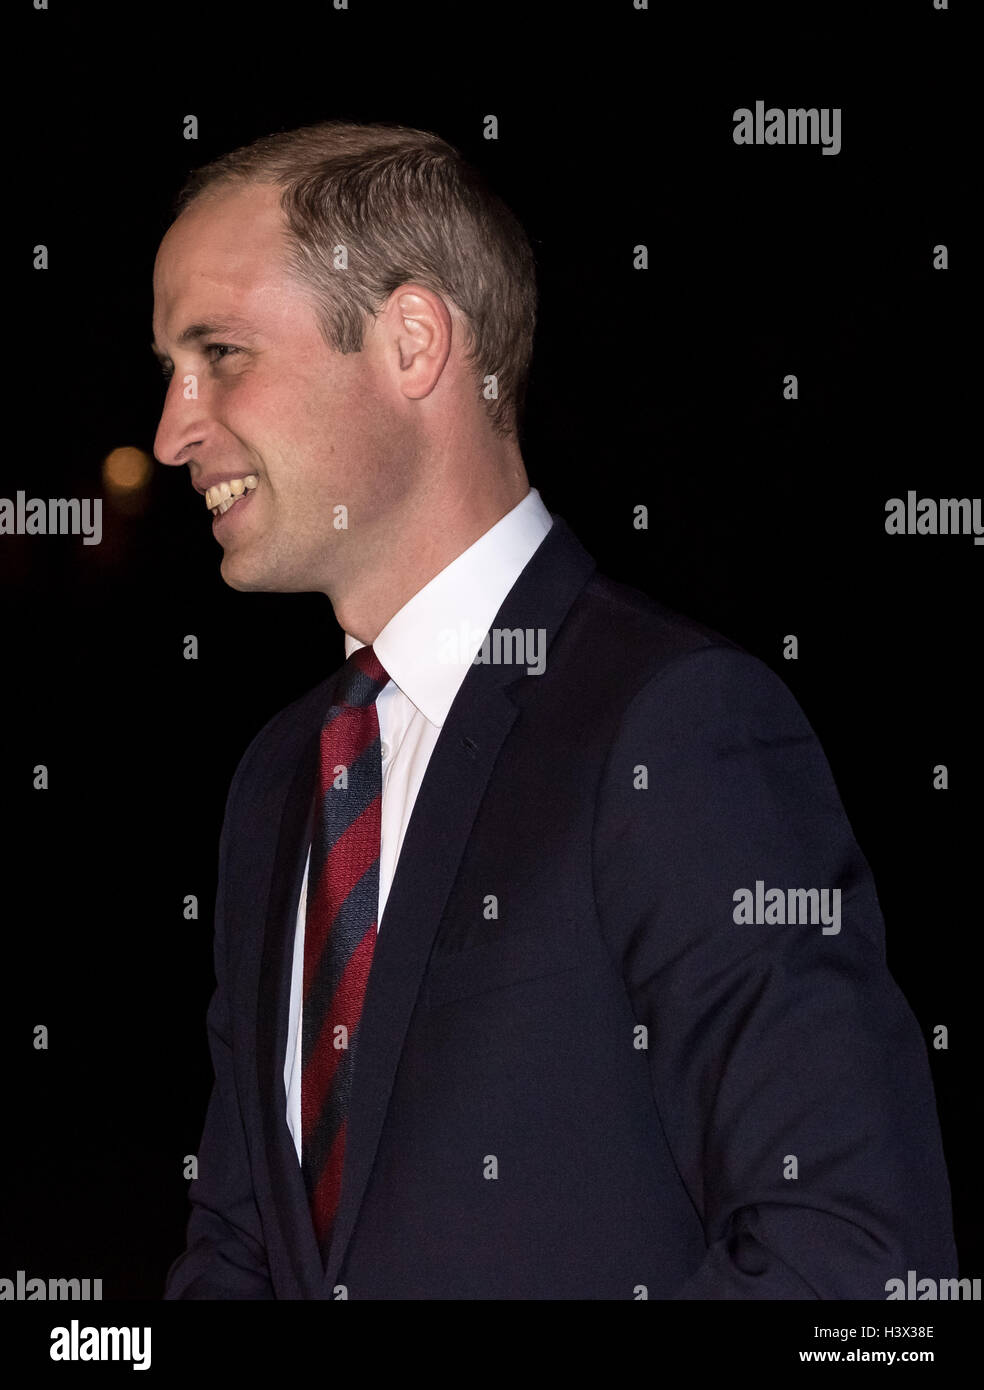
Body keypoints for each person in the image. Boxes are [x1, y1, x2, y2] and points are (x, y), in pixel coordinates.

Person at [155, 121, 956, 1299]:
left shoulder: (673, 725)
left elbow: (851, 1259)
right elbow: (237, 1250)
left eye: (219, 351)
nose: (174, 427)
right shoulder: (279, 780)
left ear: (412, 342)